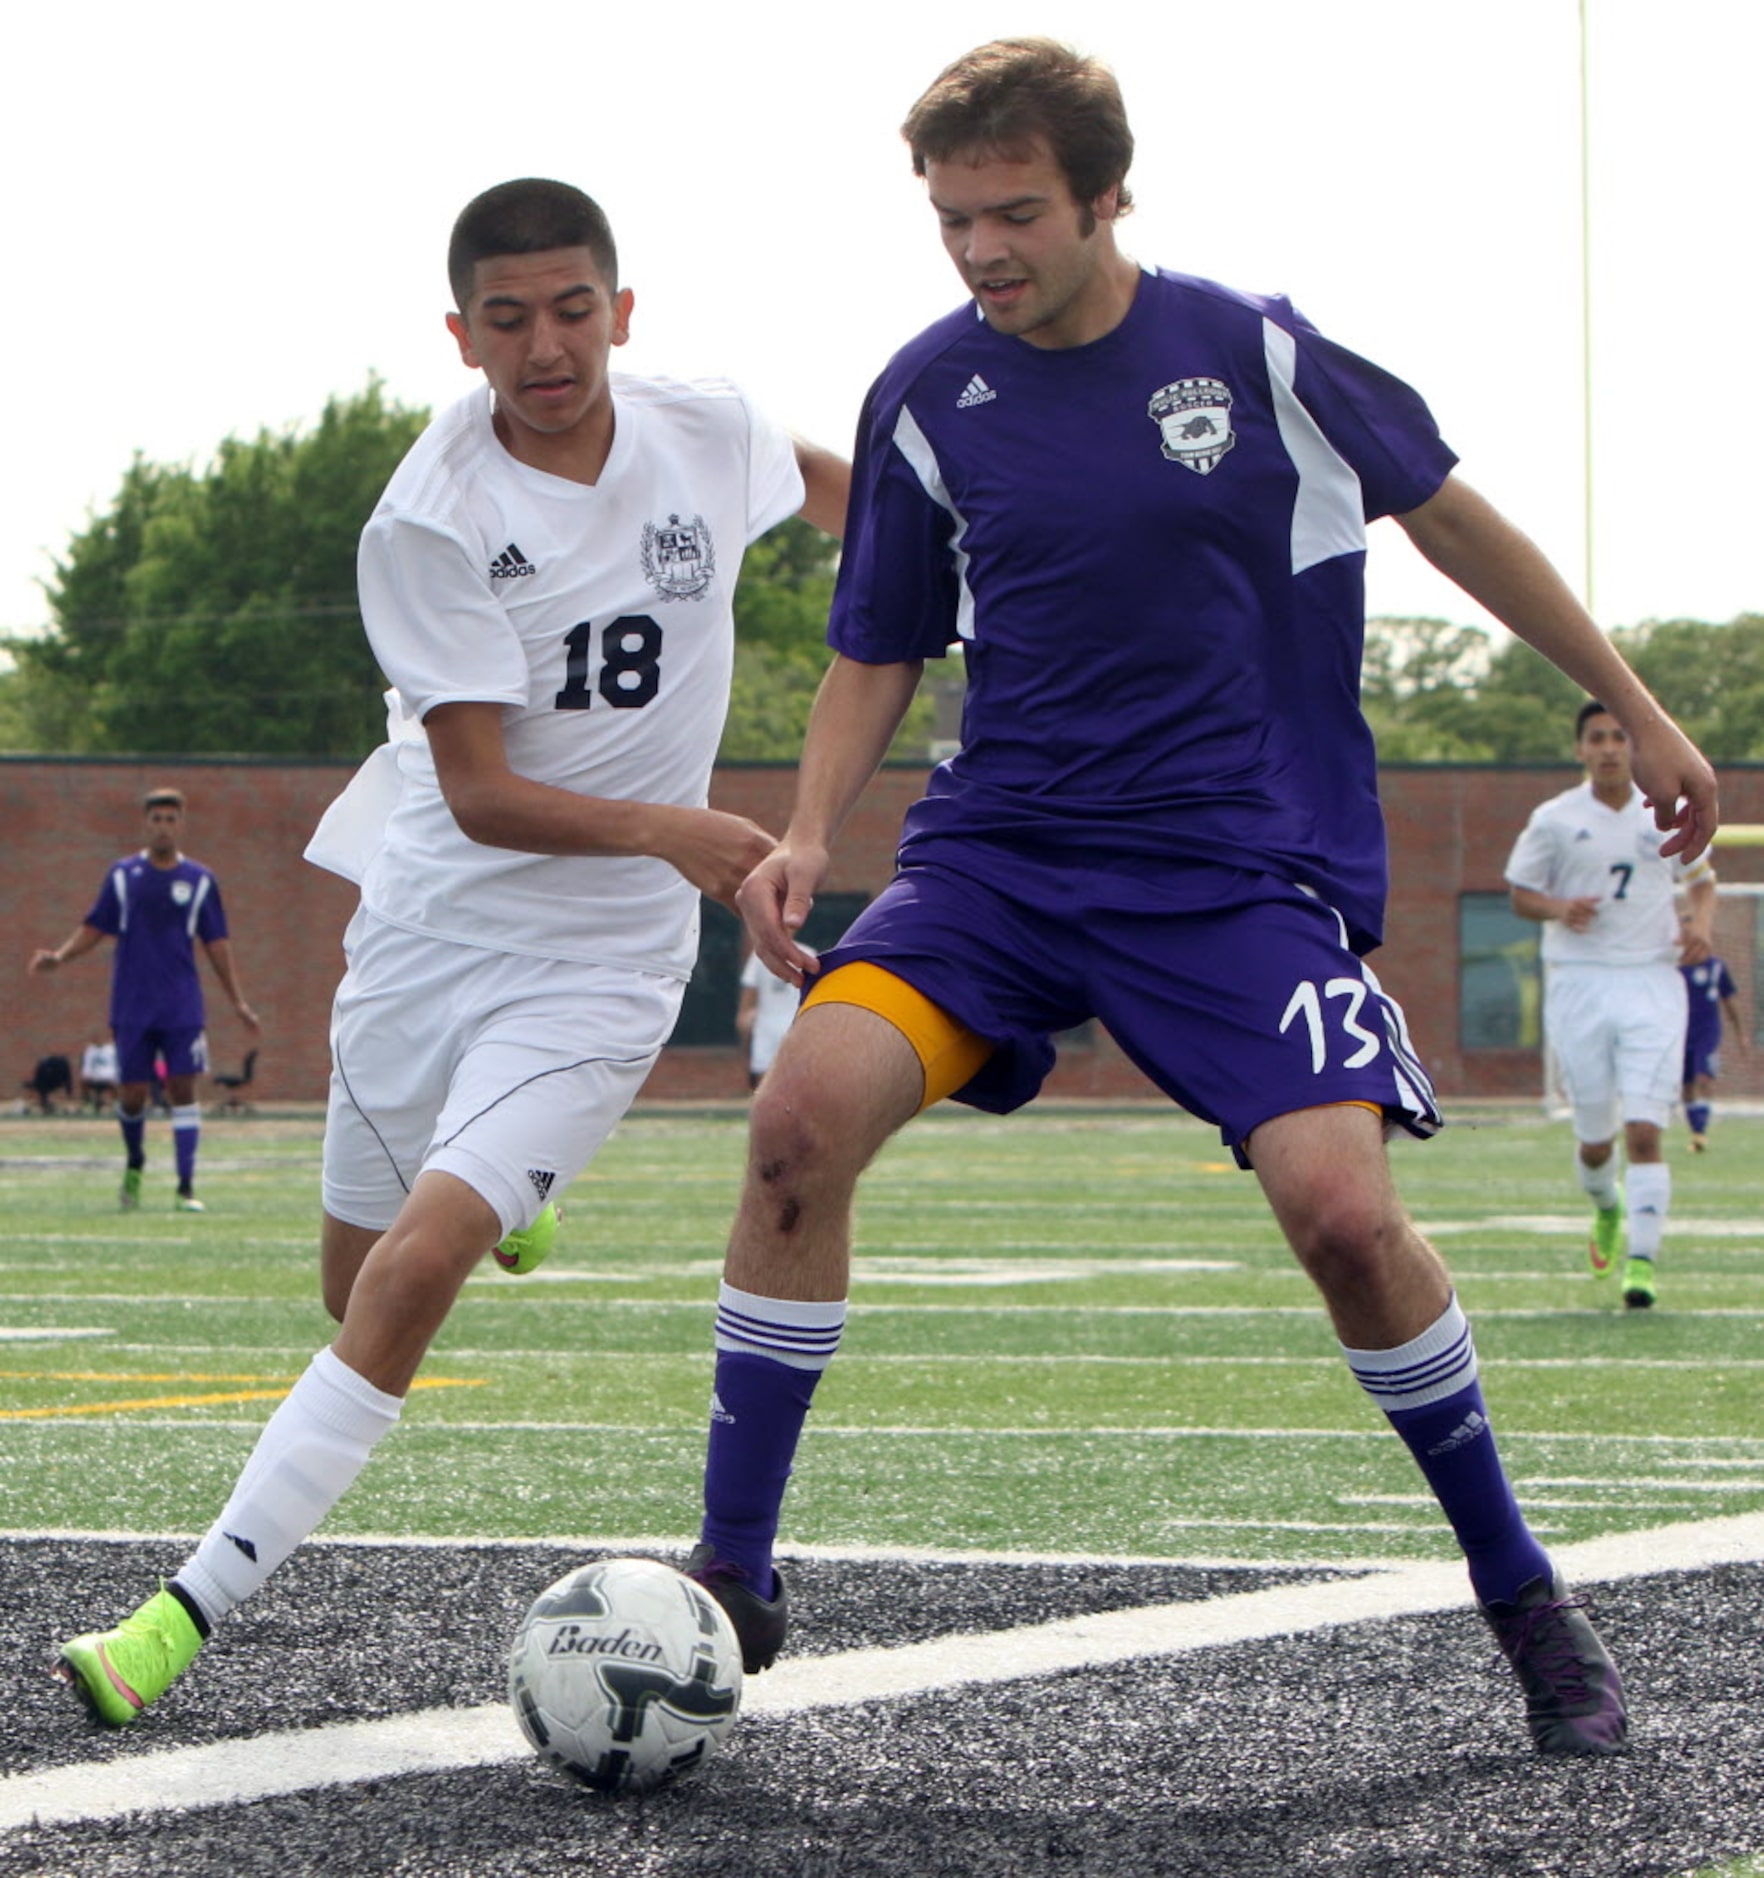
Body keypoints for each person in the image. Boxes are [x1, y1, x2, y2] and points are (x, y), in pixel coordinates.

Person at [681, 39, 1719, 1758]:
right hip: (995, 863)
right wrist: (802, 823)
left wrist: (1643, 696)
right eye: (949, 219)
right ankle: (728, 1571)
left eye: (1013, 214)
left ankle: (1521, 1591)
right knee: (795, 1122)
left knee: (1341, 1219)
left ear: (1107, 197)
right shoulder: (928, 392)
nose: (978, 251)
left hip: (1233, 871)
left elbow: (1457, 527)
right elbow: (877, 640)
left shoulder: (1254, 351)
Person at [51, 177, 848, 1729]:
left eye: (571, 311)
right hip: (434, 927)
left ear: (623, 312)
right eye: (507, 319)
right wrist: (683, 832)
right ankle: (508, 1196)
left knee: (414, 1271)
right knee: (354, 1283)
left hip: (598, 961)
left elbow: (858, 500)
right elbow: (481, 794)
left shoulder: (708, 426)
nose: (544, 347)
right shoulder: (429, 515)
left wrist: (984, 581)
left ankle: (176, 1615)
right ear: (460, 334)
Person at [1507, 702, 1716, 1310]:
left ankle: (1642, 1265)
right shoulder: (1553, 819)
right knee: (1597, 1141)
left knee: (1646, 1130)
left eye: (1619, 737)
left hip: (1651, 979)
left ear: (1634, 747)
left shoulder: (1664, 814)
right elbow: (1521, 894)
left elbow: (1702, 879)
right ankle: (1606, 1205)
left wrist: (1700, 924)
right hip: (1580, 981)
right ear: (1580, 749)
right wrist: (1557, 907)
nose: (1608, 748)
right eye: (1596, 738)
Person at [29, 789, 260, 1211]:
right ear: (145, 823)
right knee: (132, 1094)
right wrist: (60, 957)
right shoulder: (122, 876)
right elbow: (95, 926)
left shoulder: (200, 881)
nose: (163, 826)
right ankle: (135, 1164)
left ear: (181, 825)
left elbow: (218, 945)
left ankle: (185, 1187)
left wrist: (238, 1002)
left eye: (171, 819)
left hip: (181, 1006)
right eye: (156, 819)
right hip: (131, 1005)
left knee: (182, 1089)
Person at [1680, 914, 1742, 1152]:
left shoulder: (1716, 967)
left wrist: (1740, 1034)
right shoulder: (1675, 967)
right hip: (1682, 1032)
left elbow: (1730, 1000)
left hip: (1707, 1032)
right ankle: (1695, 1129)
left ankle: (1700, 1133)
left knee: (1704, 1077)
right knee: (1686, 1084)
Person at [736, 949, 799, 1089]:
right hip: (765, 1027)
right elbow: (749, 991)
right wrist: (744, 1016)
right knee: (763, 1078)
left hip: (795, 1025)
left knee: (795, 1077)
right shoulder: (758, 957)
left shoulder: (806, 953)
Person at [78, 1029, 120, 1112]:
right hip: (94, 1078)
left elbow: (116, 1065)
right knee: (83, 1081)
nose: (99, 1040)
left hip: (108, 1077)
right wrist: (87, 1075)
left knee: (115, 1082)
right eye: (96, 1038)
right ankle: (88, 1103)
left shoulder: (111, 1050)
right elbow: (87, 1067)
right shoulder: (90, 1050)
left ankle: (116, 1103)